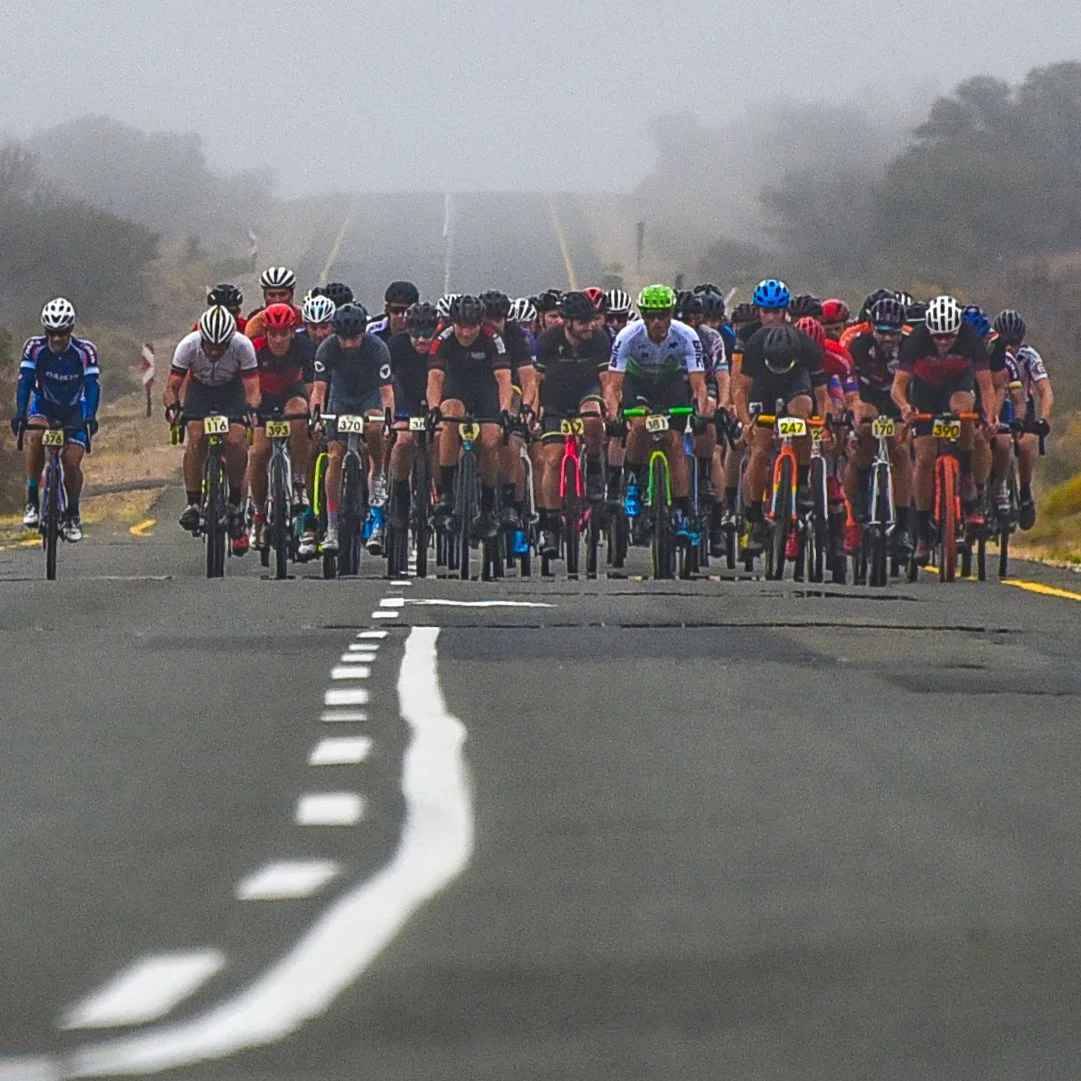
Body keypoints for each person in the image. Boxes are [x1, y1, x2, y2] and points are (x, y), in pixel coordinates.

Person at [890, 294, 995, 564]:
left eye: (949, 337)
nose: (944, 342)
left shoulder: (971, 337)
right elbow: (898, 388)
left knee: (965, 412)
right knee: (924, 458)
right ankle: (923, 532)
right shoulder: (916, 339)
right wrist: (904, 408)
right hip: (924, 391)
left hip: (958, 384)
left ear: (958, 330)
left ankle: (968, 477)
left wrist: (990, 416)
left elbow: (986, 387)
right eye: (939, 337)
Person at [605, 284, 707, 538]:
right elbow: (612, 386)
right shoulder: (627, 337)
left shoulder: (687, 336)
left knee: (674, 443)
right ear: (643, 315)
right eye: (651, 315)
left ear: (672, 313)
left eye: (663, 315)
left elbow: (699, 384)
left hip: (670, 383)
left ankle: (682, 509)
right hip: (637, 383)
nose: (657, 321)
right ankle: (632, 483)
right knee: (639, 426)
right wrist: (614, 414)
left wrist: (701, 412)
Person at [164, 306, 260, 555]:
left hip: (232, 391)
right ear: (202, 338)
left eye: (222, 347)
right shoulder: (188, 345)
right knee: (196, 438)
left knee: (236, 441)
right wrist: (173, 408)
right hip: (201, 392)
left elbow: (252, 389)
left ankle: (236, 500)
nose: (216, 352)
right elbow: (172, 386)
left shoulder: (242, 346)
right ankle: (194, 503)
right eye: (211, 346)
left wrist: (251, 409)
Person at [12, 298, 101, 542]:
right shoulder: (34, 347)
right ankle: (32, 500)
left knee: (71, 462)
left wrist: (90, 417)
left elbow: (92, 386)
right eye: (51, 332)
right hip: (45, 406)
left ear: (70, 330)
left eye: (62, 333)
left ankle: (72, 513)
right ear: (45, 331)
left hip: (75, 409)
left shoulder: (85, 351)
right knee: (34, 437)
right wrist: (20, 413)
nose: (57, 339)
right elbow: (25, 382)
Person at [309, 303, 395, 554]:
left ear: (363, 333)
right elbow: (319, 389)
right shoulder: (327, 348)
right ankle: (332, 527)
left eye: (354, 338)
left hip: (369, 397)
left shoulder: (377, 348)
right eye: (343, 338)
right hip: (341, 398)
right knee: (335, 456)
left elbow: (386, 392)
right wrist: (316, 417)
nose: (348, 344)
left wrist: (388, 421)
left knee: (374, 426)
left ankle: (378, 470)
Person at [427, 294, 514, 540]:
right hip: (455, 388)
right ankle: (446, 492)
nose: (465, 333)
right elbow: (435, 377)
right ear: (452, 322)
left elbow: (504, 379)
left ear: (480, 323)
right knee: (449, 416)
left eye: (471, 327)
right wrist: (434, 407)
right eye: (460, 326)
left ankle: (487, 508)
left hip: (485, 389)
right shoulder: (442, 336)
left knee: (489, 440)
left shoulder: (493, 338)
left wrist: (505, 410)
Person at [534, 290, 611, 557]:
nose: (590, 326)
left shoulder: (600, 339)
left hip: (586, 392)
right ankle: (551, 526)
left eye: (591, 320)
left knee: (592, 415)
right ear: (567, 323)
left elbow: (606, 379)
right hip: (555, 398)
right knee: (552, 459)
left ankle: (593, 469)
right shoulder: (547, 340)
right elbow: (536, 380)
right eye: (583, 322)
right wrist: (532, 410)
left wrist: (610, 406)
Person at [247, 303, 316, 556]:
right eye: (272, 334)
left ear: (292, 331)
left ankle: (298, 483)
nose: (278, 340)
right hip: (262, 396)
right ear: (265, 332)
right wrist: (251, 412)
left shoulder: (305, 348)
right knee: (258, 453)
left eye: (283, 333)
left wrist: (312, 417)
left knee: (299, 413)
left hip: (291, 393)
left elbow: (310, 388)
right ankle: (258, 513)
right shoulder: (254, 350)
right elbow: (248, 386)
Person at [245, 267, 302, 340]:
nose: (277, 300)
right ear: (264, 296)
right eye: (272, 295)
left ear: (291, 295)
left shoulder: (302, 316)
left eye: (282, 295)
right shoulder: (254, 323)